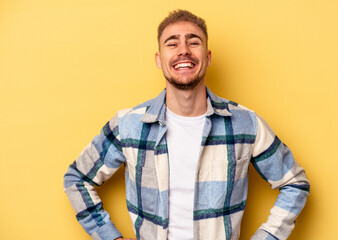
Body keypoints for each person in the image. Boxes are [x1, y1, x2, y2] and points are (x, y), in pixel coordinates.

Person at [64, 9, 310, 240]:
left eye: (193, 42)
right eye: (172, 43)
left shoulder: (245, 123)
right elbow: (76, 178)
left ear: (208, 57)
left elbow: (295, 184)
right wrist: (109, 237)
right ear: (159, 60)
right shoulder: (129, 124)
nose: (183, 50)